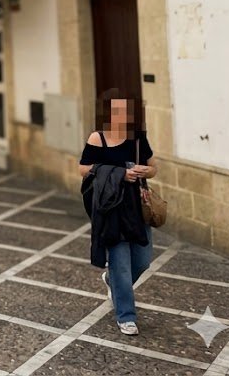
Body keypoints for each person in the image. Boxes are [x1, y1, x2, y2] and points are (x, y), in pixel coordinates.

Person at [79, 89, 158, 336]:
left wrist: (145, 171)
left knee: (143, 260)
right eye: (117, 110)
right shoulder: (98, 138)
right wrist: (120, 174)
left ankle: (111, 281)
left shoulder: (137, 138)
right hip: (111, 209)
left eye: (125, 110)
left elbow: (153, 167)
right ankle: (126, 316)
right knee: (121, 264)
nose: (122, 115)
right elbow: (83, 169)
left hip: (137, 207)